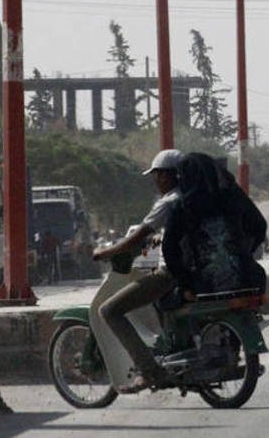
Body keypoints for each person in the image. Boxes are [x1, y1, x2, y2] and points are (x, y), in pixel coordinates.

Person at [94, 148, 182, 393]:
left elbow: (139, 236)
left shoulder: (167, 203)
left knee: (109, 310)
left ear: (166, 175)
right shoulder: (193, 198)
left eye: (156, 175)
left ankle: (148, 371)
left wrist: (107, 252)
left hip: (171, 273)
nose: (155, 181)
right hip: (195, 271)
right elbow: (160, 238)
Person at [163, 152, 268, 300]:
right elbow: (260, 227)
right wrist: (241, 253)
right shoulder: (234, 197)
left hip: (204, 288)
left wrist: (185, 283)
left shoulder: (182, 207)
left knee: (165, 301)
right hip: (250, 281)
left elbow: (169, 249)